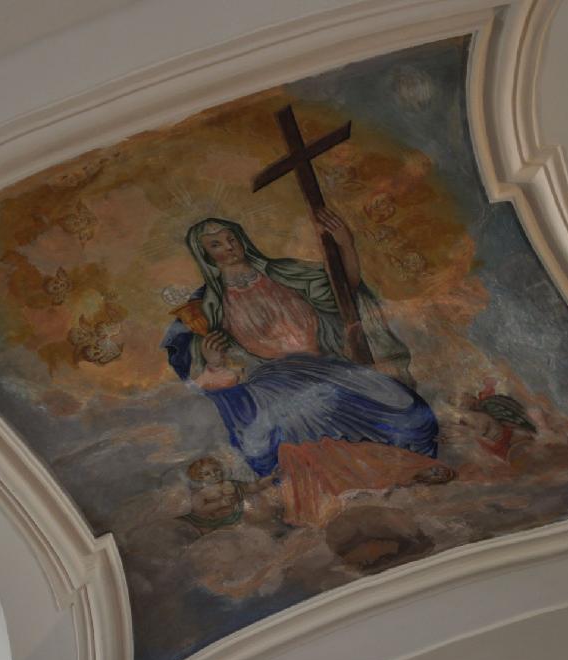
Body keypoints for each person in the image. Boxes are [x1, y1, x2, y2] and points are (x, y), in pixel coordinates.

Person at [162, 212, 452, 527]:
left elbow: (344, 292)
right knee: (301, 411)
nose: (229, 247)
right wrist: (214, 361)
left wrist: (346, 245)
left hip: (324, 365)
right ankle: (343, 491)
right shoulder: (209, 306)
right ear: (206, 255)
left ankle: (398, 470)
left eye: (231, 239)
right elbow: (207, 369)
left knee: (406, 411)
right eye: (216, 244)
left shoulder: (285, 273)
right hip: (271, 378)